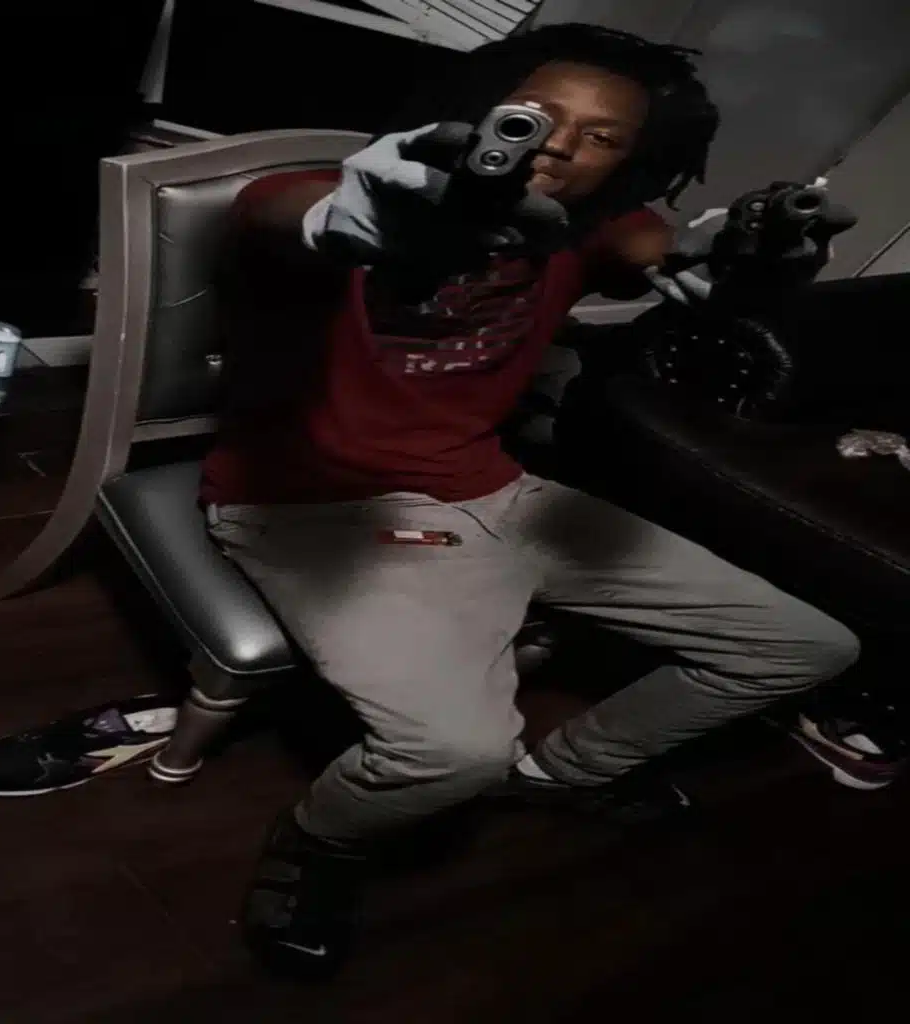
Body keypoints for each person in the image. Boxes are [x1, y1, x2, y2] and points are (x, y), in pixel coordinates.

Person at [199, 23, 860, 974]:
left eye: (602, 137)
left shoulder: (583, 231)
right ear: (481, 109)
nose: (560, 144)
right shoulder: (325, 200)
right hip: (319, 507)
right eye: (537, 115)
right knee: (450, 752)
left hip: (502, 492)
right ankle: (323, 840)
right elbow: (288, 216)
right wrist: (354, 220)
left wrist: (745, 267)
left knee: (805, 647)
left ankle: (561, 774)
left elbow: (656, 249)